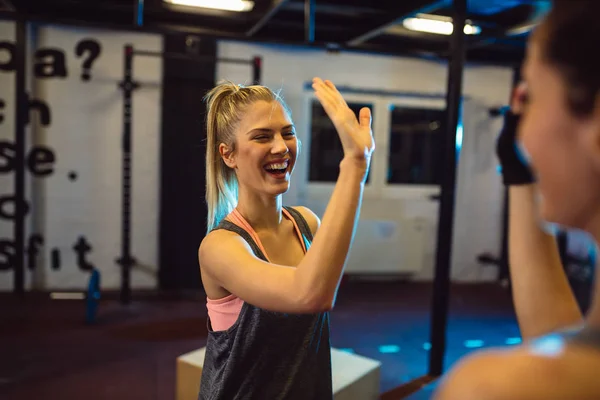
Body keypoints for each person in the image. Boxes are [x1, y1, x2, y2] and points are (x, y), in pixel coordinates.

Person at [434, 1, 600, 398]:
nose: (522, 132)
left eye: (533, 96)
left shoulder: (489, 389)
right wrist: (520, 177)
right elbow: (563, 340)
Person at [196, 78, 374, 399]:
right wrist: (355, 164)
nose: (281, 147)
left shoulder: (307, 223)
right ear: (229, 155)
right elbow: (309, 295)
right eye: (263, 137)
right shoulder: (220, 247)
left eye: (288, 133)